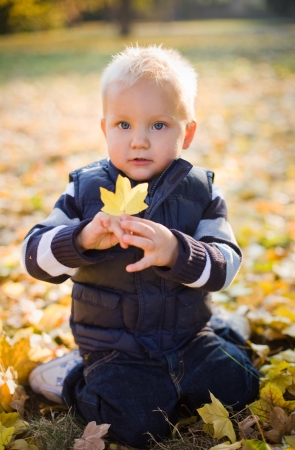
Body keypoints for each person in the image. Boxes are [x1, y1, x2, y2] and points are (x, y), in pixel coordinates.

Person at [23, 45, 259, 448]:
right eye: (124, 125)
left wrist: (177, 251)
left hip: (187, 336)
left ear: (188, 132)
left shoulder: (201, 191)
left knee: (242, 387)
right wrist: (79, 240)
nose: (139, 142)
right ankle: (71, 377)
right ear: (104, 129)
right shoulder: (84, 191)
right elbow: (34, 256)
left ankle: (222, 331)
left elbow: (225, 264)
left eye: (159, 126)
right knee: (133, 423)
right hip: (116, 347)